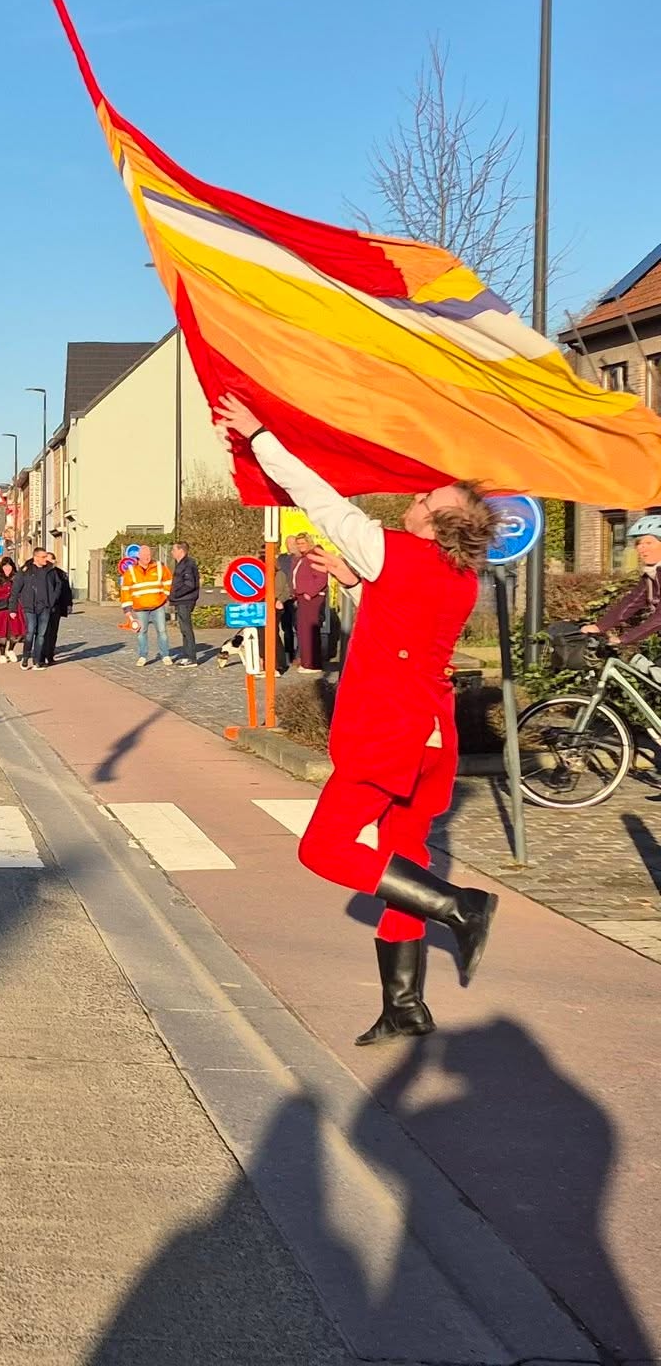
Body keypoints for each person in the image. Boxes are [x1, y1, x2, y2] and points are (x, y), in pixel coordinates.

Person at [214, 396, 499, 1046]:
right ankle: (405, 1006)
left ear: (437, 521)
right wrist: (356, 582)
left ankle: (463, 907)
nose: (417, 497)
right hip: (430, 736)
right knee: (404, 855)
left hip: (388, 736)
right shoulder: (456, 576)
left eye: (427, 496)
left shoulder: (394, 550)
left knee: (324, 848)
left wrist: (261, 437)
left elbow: (321, 498)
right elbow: (405, 620)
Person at [582, 516, 661, 647]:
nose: (641, 548)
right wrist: (600, 626)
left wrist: (625, 638)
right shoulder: (652, 573)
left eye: (648, 543)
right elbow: (632, 602)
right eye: (638, 543)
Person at [15, 549, 71, 670]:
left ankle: (37, 661)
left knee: (41, 635)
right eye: (43, 557)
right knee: (30, 633)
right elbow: (16, 588)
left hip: (45, 607)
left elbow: (58, 585)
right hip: (30, 607)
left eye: (46, 557)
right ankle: (25, 658)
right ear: (36, 558)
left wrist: (52, 600)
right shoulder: (26, 570)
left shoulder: (50, 570)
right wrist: (13, 608)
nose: (45, 559)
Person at [121, 546, 175, 666]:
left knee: (162, 631)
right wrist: (127, 609)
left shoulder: (160, 568)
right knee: (141, 632)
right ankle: (142, 656)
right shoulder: (131, 571)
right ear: (138, 556)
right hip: (140, 608)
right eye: (144, 555)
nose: (147, 557)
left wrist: (165, 595)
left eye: (149, 555)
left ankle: (165, 655)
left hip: (158, 606)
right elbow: (126, 590)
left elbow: (168, 581)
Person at [289, 533, 330, 675]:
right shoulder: (301, 558)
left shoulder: (314, 557)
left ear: (309, 542)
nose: (300, 546)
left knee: (309, 630)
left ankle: (312, 663)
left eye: (303, 543)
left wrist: (309, 593)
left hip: (311, 598)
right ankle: (306, 661)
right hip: (301, 597)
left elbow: (321, 578)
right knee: (302, 630)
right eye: (298, 543)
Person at [169, 542, 201, 665]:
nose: (172, 552)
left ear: (181, 551)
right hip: (181, 600)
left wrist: (175, 594)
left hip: (185, 601)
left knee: (187, 629)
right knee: (183, 629)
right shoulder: (180, 564)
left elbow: (189, 584)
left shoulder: (188, 564)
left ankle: (192, 657)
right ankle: (186, 655)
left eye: (173, 550)